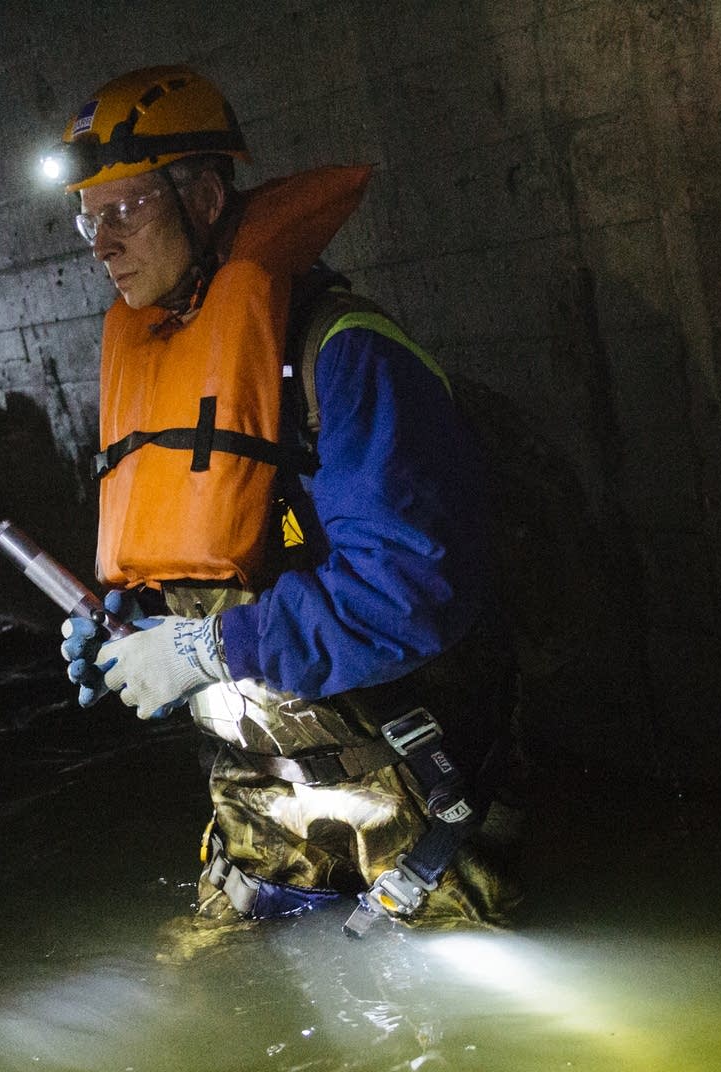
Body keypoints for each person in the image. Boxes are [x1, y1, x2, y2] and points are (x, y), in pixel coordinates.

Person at [47, 66, 523, 932]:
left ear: (206, 197)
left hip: (418, 807)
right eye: (90, 217)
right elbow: (218, 571)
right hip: (263, 815)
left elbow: (410, 591)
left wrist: (203, 646)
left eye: (125, 210)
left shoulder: (344, 355)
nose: (101, 245)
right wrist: (130, 628)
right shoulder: (158, 374)